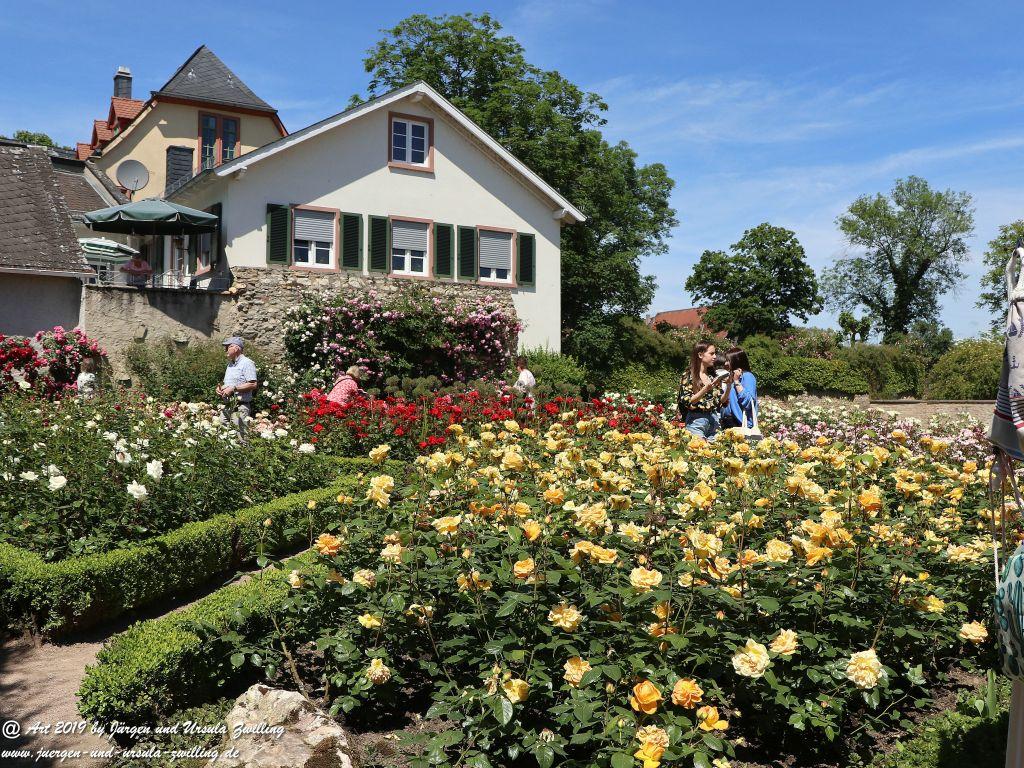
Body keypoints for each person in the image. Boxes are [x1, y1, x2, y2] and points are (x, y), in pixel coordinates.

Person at [679, 341, 729, 438]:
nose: (715, 356)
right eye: (711, 353)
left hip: (713, 419)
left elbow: (721, 400)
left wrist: (729, 385)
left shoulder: (712, 376)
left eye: (715, 353)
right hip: (696, 420)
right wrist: (705, 390)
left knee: (716, 448)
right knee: (699, 447)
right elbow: (688, 401)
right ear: (700, 355)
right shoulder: (689, 376)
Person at [216, 336, 257, 439]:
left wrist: (233, 389)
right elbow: (228, 384)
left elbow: (253, 384)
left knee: (240, 439)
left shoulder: (247, 363)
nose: (225, 350)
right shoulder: (230, 365)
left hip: (240, 408)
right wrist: (221, 389)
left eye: (228, 347)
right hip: (227, 406)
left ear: (236, 348)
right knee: (222, 436)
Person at [720, 346, 759, 435]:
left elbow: (749, 401)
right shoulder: (732, 377)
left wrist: (737, 381)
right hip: (728, 422)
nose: (726, 363)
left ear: (736, 361)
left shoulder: (747, 376)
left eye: (728, 360)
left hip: (741, 424)